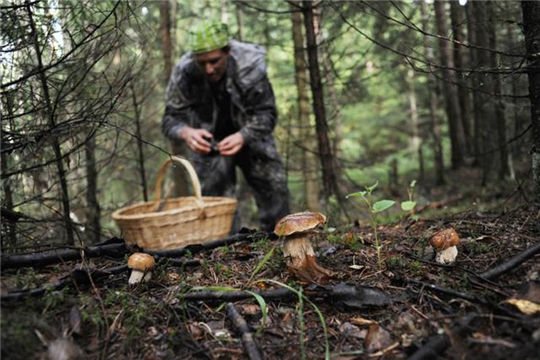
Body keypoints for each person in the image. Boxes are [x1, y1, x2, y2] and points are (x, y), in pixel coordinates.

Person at [161, 21, 290, 232]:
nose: (209, 69)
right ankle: (226, 256)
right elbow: (169, 121)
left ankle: (283, 244)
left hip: (252, 137)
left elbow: (267, 114)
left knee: (273, 189)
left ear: (227, 52)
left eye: (214, 61)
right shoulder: (184, 73)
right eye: (201, 63)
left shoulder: (249, 64)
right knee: (216, 210)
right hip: (210, 146)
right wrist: (186, 132)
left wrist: (243, 136)